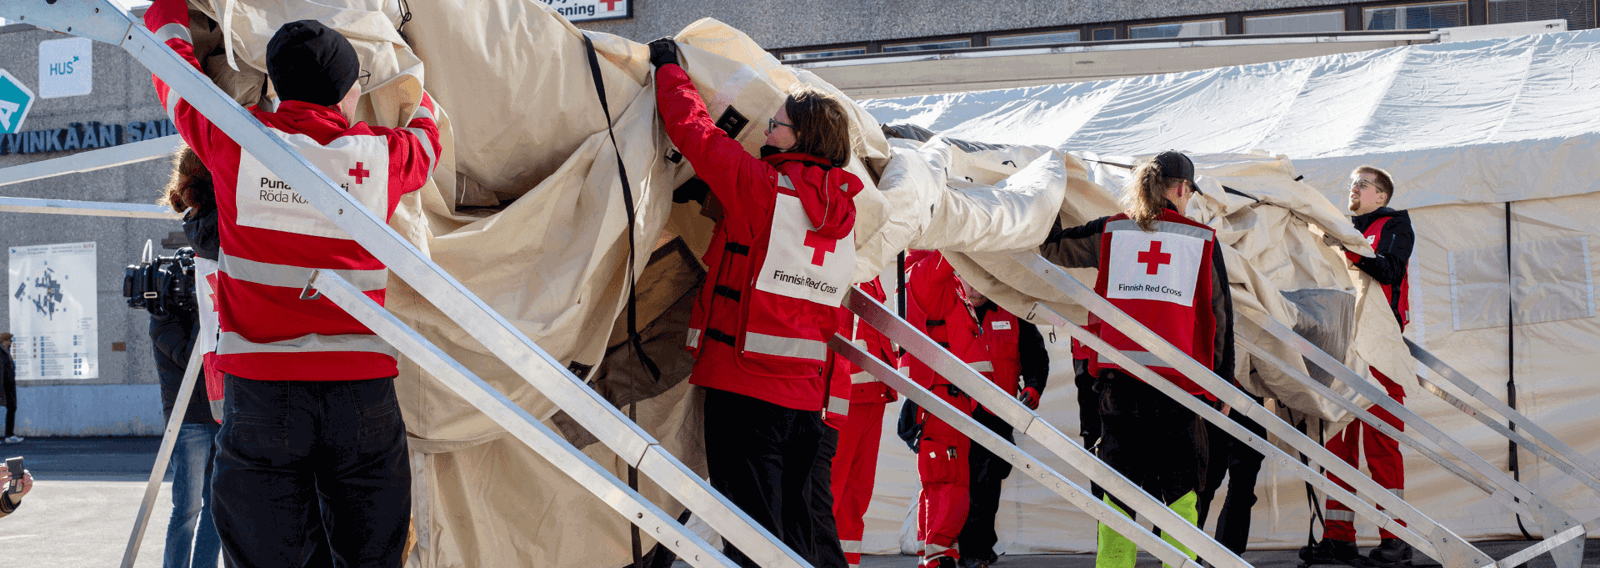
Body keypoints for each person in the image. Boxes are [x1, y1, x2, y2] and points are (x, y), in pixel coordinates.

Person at [143, 0, 442, 564]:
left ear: (277, 88)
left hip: (263, 394)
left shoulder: (237, 141)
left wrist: (167, 10)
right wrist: (416, 90)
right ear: (349, 92)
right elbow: (427, 139)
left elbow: (176, 76)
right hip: (361, 395)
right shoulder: (378, 157)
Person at [648, 38, 862, 568]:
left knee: (751, 541)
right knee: (795, 539)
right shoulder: (844, 215)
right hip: (805, 403)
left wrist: (669, 69)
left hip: (743, 391)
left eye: (776, 125)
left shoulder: (762, 189)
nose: (766, 132)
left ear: (801, 137)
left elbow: (695, 133)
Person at [1037, 150, 1235, 568]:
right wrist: (1222, 386)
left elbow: (1052, 248)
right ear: (1181, 189)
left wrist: (1048, 186)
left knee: (1118, 494)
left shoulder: (1112, 231)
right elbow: (1219, 318)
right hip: (1177, 391)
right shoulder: (1201, 239)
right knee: (1180, 495)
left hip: (1120, 389)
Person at [1300, 165, 1416, 566]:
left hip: (1379, 352)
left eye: (1362, 184)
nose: (1353, 188)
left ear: (1381, 195)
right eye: (1352, 183)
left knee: (1382, 445)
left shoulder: (1394, 226)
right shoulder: (1339, 229)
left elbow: (1389, 269)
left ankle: (1396, 539)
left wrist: (1347, 247)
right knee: (1337, 445)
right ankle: (1338, 539)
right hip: (1343, 349)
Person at [151, 148, 224, 568]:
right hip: (189, 420)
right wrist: (204, 306)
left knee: (216, 507)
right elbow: (186, 355)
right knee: (187, 509)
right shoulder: (163, 313)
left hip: (219, 411)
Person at [953, 275, 1048, 568]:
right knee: (965, 483)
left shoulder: (1011, 310)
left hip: (998, 415)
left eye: (981, 280)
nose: (974, 287)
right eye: (968, 280)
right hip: (958, 414)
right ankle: (971, 549)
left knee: (988, 482)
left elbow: (1036, 357)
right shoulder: (948, 309)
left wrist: (1033, 387)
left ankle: (980, 545)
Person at [823, 278, 900, 568]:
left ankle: (847, 562)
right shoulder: (846, 265)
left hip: (873, 393)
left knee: (858, 492)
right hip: (845, 393)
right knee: (832, 488)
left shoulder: (871, 273)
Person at [0, 332, 17, 444]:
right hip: (3, 386)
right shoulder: (1, 353)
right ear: (4, 341)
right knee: (11, 407)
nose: (11, 342)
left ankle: (9, 435)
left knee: (12, 407)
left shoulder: (6, 352)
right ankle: (9, 435)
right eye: (10, 340)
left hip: (9, 386)